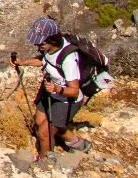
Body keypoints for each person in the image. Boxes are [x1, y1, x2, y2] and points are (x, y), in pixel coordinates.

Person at [14, 17, 90, 155]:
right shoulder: (49, 49)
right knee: (40, 122)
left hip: (66, 101)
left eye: (40, 42)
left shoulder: (68, 60)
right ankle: (79, 144)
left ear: (52, 40)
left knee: (44, 133)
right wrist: (24, 62)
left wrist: (57, 89)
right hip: (50, 91)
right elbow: (44, 60)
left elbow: (74, 91)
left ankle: (45, 162)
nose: (37, 45)